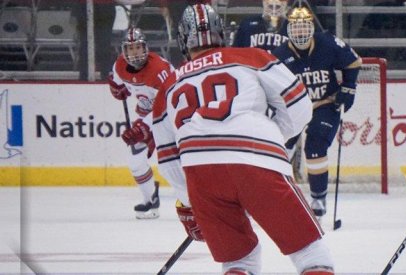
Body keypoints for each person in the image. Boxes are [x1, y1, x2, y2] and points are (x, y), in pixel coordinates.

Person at [123, 4, 335, 274]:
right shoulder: (252, 56)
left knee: (239, 261)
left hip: (202, 175)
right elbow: (299, 105)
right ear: (220, 33)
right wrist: (270, 139)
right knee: (311, 254)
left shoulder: (169, 85)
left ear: (183, 39)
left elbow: (168, 157)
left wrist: (188, 202)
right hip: (257, 163)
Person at [272, 6, 362, 219]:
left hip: (324, 103)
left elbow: (354, 62)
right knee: (280, 150)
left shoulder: (328, 42)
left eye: (304, 28)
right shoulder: (279, 56)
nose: (301, 33)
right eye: (296, 29)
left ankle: (318, 198)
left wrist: (348, 89)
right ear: (289, 31)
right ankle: (275, 195)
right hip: (292, 108)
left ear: (312, 28)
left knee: (316, 145)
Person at [108, 27, 174, 219]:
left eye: (138, 47)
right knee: (135, 161)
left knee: (181, 165)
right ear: (124, 51)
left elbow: (169, 104)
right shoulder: (120, 65)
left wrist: (144, 126)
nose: (134, 52)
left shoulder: (160, 71)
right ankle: (150, 200)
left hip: (173, 119)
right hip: (149, 118)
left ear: (145, 47)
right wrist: (116, 87)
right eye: (130, 49)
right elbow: (116, 78)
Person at [71, 1, 117, 80]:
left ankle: (105, 77)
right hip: (84, 6)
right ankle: (84, 78)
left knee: (104, 45)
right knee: (85, 46)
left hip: (104, 8)